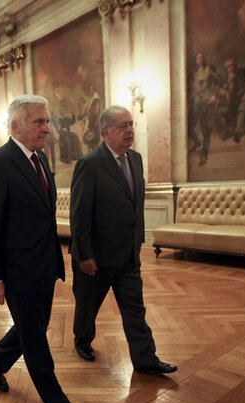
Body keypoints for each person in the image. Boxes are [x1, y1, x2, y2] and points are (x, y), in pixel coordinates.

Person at [0, 94, 92, 403]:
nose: (48, 129)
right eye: (39, 122)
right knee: (37, 342)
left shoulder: (39, 160)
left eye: (47, 121)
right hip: (16, 272)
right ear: (15, 126)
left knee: (33, 329)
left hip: (43, 264)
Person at [69, 105, 177, 376]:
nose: (129, 131)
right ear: (105, 132)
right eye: (122, 126)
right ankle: (82, 340)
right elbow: (79, 214)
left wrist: (137, 243)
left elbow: (133, 205)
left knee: (135, 311)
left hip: (128, 255)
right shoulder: (90, 164)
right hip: (96, 257)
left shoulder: (136, 159)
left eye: (131, 125)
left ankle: (145, 360)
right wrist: (84, 254)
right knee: (87, 306)